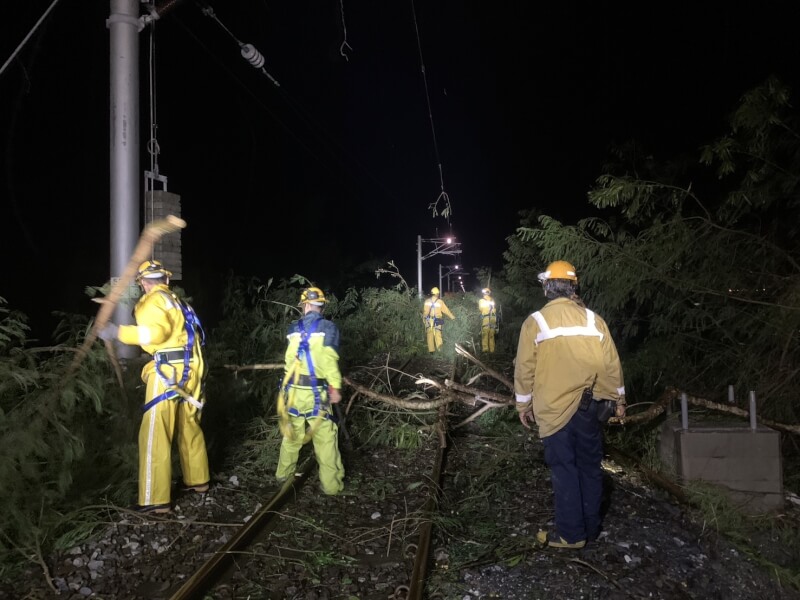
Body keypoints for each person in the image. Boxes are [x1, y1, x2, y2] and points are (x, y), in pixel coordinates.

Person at [514, 260, 626, 549]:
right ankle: (590, 528)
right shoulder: (593, 320)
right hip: (589, 407)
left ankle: (570, 535)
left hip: (552, 411)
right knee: (589, 466)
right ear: (574, 287)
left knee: (564, 468)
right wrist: (618, 400)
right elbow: (611, 365)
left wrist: (523, 405)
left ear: (547, 288)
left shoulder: (536, 321)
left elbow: (525, 369)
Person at [98, 259, 210, 513]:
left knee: (154, 433)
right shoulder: (180, 303)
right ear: (167, 280)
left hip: (168, 373)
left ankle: (154, 498)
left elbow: (155, 335)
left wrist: (118, 332)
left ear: (143, 283)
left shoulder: (152, 301)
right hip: (192, 370)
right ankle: (198, 480)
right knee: (189, 426)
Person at [275, 287, 345, 495]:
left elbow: (289, 361)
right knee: (325, 439)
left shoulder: (292, 328)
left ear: (304, 305)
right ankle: (332, 486)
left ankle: (282, 476)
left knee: (291, 436)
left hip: (293, 392)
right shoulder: (329, 328)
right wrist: (336, 387)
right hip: (317, 394)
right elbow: (330, 361)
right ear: (321, 306)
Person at [422, 286, 456, 352]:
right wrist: (453, 317)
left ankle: (431, 350)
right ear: (437, 293)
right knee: (438, 335)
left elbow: (425, 312)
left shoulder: (427, 301)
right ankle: (440, 350)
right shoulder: (440, 302)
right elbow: (446, 311)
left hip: (428, 320)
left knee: (429, 335)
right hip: (438, 319)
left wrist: (424, 319)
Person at [478, 287, 498, 353]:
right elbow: (495, 309)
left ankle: (485, 350)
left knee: (485, 335)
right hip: (493, 319)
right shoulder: (492, 300)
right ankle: (492, 350)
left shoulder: (481, 300)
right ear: (489, 293)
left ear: (483, 293)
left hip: (486, 319)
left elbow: (480, 309)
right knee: (491, 335)